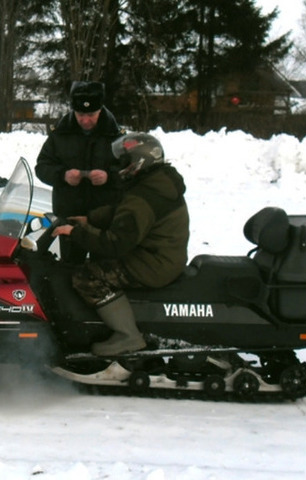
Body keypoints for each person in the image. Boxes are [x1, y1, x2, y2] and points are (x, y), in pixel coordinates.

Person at [51, 132, 190, 356]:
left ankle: (128, 336)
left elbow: (115, 243)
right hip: (162, 254)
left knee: (87, 276)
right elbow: (124, 214)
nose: (118, 167)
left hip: (154, 264)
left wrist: (77, 233)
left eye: (123, 161)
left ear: (138, 162)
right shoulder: (157, 182)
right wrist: (91, 219)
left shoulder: (144, 196)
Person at [35, 80, 124, 264]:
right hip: (70, 216)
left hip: (104, 219)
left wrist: (109, 177)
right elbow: (42, 166)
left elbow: (130, 172)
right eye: (80, 114)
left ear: (100, 110)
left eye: (91, 114)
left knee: (104, 267)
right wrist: (63, 175)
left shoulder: (116, 136)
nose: (85, 120)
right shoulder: (61, 133)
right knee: (70, 270)